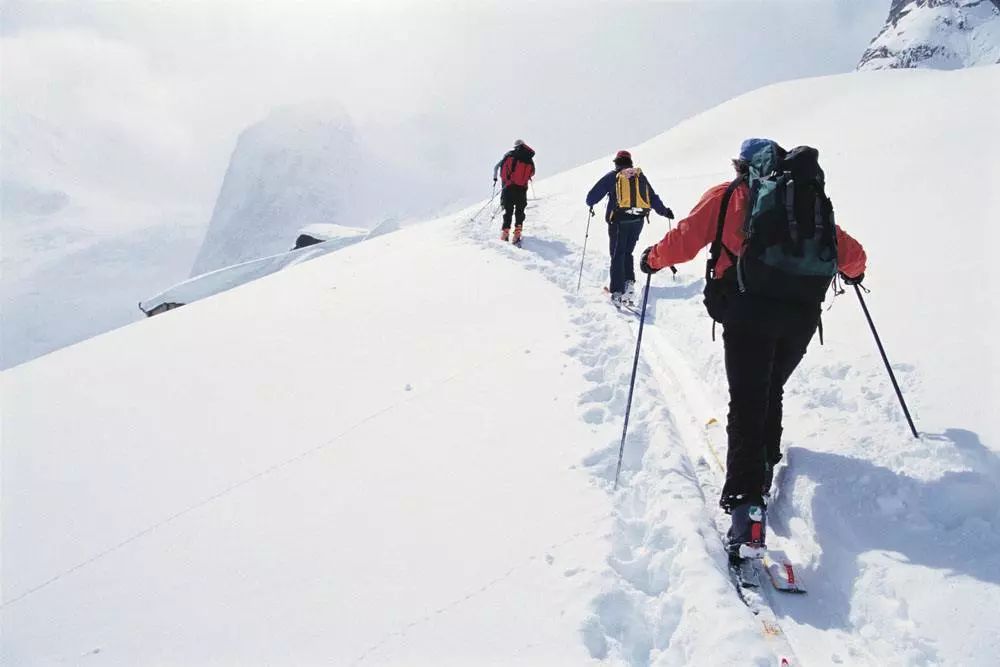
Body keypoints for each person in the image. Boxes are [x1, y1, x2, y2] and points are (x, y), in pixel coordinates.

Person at [638, 138, 867, 563]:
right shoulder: (804, 203)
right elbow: (851, 255)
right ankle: (762, 468)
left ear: (742, 164)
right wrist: (854, 274)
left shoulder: (729, 195)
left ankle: (747, 511)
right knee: (770, 387)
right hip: (800, 317)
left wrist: (651, 258)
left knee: (747, 400)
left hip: (747, 310)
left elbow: (686, 238)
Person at [585, 150, 673, 306]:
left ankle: (617, 292)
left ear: (617, 162)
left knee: (617, 254)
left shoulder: (614, 176)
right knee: (627, 252)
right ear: (629, 162)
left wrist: (591, 203)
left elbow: (592, 196)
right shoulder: (639, 177)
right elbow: (652, 197)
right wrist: (664, 211)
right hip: (637, 220)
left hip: (619, 221)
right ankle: (629, 287)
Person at [493, 140, 536, 245]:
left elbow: (501, 170)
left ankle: (505, 232)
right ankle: (517, 232)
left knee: (508, 210)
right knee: (520, 211)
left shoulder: (510, 155)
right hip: (522, 188)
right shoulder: (529, 158)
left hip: (510, 187)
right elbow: (532, 172)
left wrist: (505, 181)